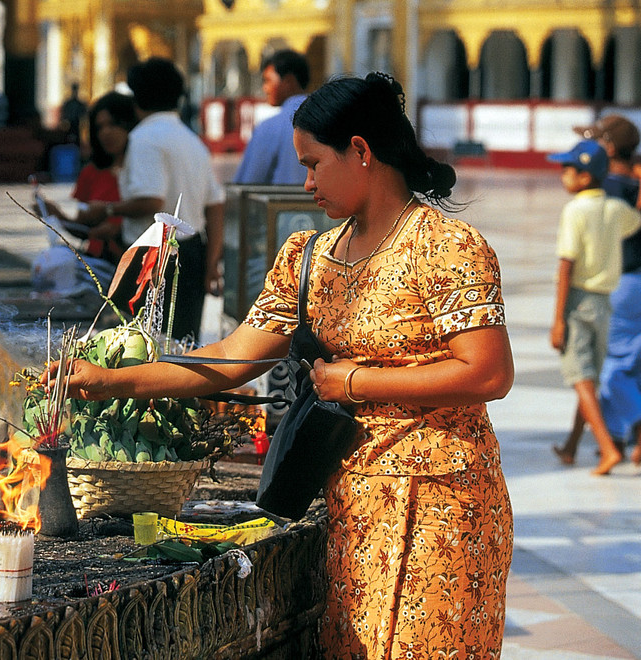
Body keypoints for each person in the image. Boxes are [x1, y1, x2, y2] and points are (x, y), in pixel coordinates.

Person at [57, 72, 515, 657]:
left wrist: (353, 380)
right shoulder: (310, 257)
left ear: (361, 152)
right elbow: (231, 357)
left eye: (314, 164)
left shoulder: (446, 245)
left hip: (442, 507)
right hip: (353, 504)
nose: (305, 183)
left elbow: (488, 373)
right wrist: (108, 382)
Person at [80, 57, 225, 341]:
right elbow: (216, 206)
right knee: (183, 345)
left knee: (145, 346)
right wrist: (211, 264)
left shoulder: (143, 138)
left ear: (137, 97)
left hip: (156, 257)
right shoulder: (191, 139)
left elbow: (152, 201)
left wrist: (108, 209)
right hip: (193, 251)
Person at [548, 139, 641, 474]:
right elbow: (635, 220)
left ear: (585, 177)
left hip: (578, 300)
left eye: (567, 170)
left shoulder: (574, 210)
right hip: (606, 303)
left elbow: (565, 266)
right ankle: (573, 444)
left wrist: (558, 319)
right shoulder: (614, 209)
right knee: (587, 375)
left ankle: (606, 448)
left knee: (579, 376)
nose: (563, 176)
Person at [32, 91, 137, 294]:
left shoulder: (142, 174)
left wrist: (119, 229)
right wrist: (57, 215)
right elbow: (83, 229)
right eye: (100, 127)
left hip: (138, 267)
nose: (106, 133)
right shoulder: (91, 173)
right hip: (101, 268)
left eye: (114, 124)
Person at [233, 49, 309, 185]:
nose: (265, 88)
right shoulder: (328, 120)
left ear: (289, 82)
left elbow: (248, 184)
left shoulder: (269, 128)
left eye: (268, 80)